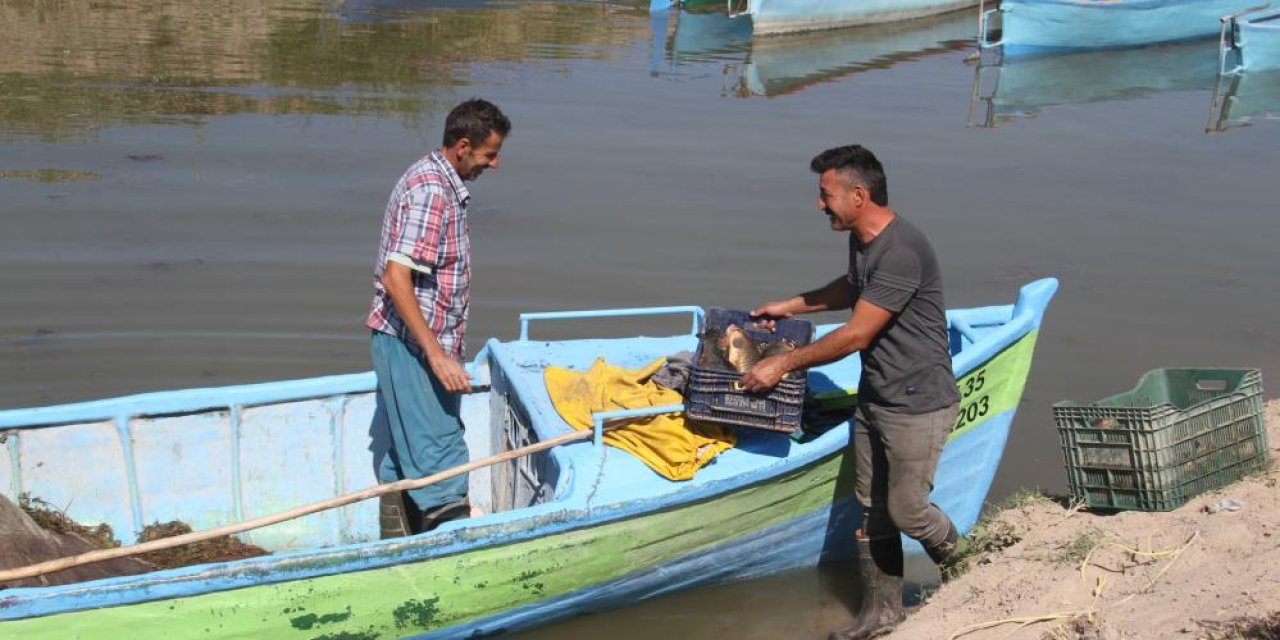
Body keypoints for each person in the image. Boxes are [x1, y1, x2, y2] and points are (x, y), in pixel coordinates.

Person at [740, 144, 963, 640]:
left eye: (826, 195)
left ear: (858, 195)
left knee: (907, 511)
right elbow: (852, 287)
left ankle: (974, 569)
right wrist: (791, 305)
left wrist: (782, 363)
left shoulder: (902, 250)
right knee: (872, 508)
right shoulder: (865, 240)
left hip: (917, 402)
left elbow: (857, 333)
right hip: (877, 396)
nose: (819, 205)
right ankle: (881, 615)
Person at [366, 98, 510, 538]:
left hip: (416, 342)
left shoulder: (438, 181)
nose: (495, 163)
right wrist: (436, 356)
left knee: (406, 452)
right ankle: (454, 559)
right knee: (441, 459)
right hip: (412, 346)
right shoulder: (432, 192)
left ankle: (396, 546)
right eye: (489, 154)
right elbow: (396, 278)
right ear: (462, 146)